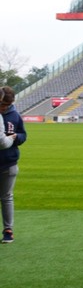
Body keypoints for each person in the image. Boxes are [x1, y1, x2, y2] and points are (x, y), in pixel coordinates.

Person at [0, 86, 26, 244]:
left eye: (6, 105)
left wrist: (16, 137)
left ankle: (8, 230)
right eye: (2, 105)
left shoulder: (15, 115)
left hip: (8, 162)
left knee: (6, 197)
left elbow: (24, 135)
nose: (4, 108)